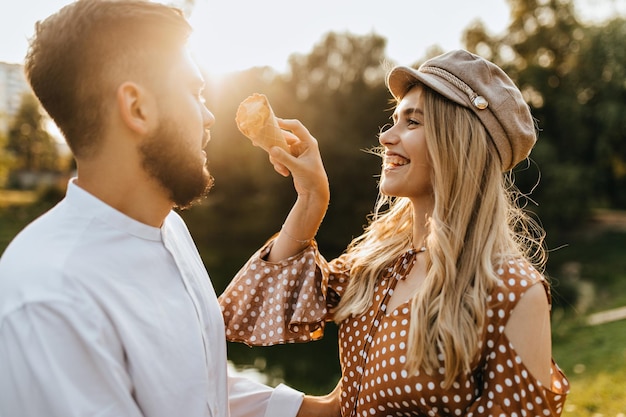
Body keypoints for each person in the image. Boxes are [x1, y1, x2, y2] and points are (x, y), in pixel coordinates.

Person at [0, 1, 340, 416]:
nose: (210, 115)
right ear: (137, 108)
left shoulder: (171, 229)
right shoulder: (51, 298)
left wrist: (330, 408)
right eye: (195, 93)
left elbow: (193, 384)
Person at [218, 49, 570, 416]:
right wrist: (310, 200)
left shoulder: (512, 290)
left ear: (459, 143)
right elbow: (258, 313)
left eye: (412, 122)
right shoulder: (376, 265)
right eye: (393, 120)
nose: (386, 136)